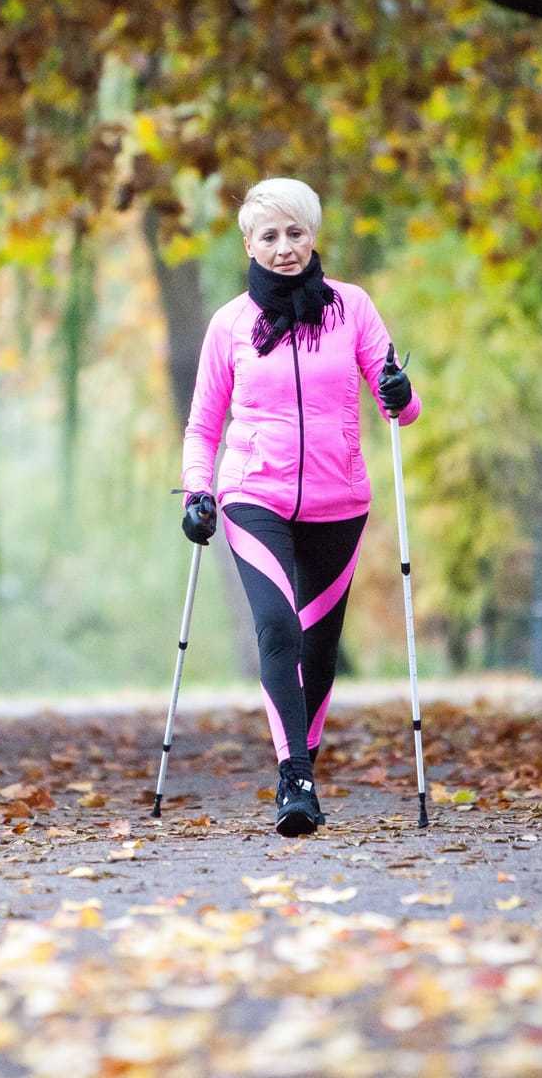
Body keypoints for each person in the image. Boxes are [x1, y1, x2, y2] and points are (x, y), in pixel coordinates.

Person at [179, 177, 419, 838]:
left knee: (318, 649)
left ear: (313, 236)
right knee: (278, 629)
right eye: (269, 236)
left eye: (295, 233)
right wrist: (199, 493)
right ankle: (296, 780)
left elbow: (400, 402)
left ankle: (301, 761)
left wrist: (400, 389)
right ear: (249, 243)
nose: (284, 248)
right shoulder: (230, 324)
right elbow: (202, 428)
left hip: (339, 500)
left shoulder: (354, 308)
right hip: (253, 494)